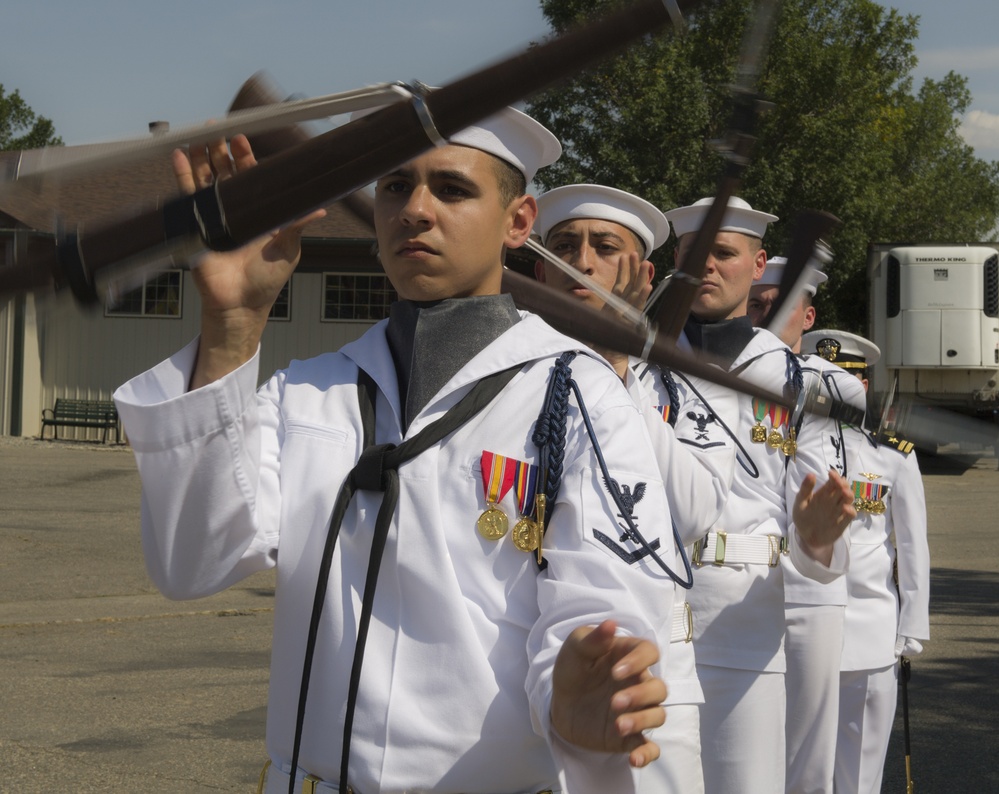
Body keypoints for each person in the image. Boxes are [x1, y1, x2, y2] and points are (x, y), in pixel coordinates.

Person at [113, 107, 680, 794]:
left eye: (452, 189)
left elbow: (603, 612)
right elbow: (190, 562)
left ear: (519, 221)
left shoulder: (577, 395)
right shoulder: (310, 391)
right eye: (394, 187)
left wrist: (574, 702)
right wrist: (233, 325)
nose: (415, 210)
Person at [533, 183, 740, 793]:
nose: (584, 261)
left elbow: (699, 512)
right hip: (531, 676)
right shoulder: (497, 382)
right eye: (564, 246)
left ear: (645, 277)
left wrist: (615, 381)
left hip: (654, 672)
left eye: (605, 246)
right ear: (540, 270)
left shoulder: (678, 390)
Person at [655, 196, 857, 794]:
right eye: (693, 255)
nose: (707, 268)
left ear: (757, 262)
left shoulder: (796, 380)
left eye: (723, 253)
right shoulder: (636, 362)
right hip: (649, 608)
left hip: (741, 621)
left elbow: (813, 529)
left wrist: (816, 540)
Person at [748, 254, 867, 793]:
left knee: (807, 757)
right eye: (756, 305)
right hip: (745, 584)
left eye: (780, 307)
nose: (766, 317)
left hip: (810, 585)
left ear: (809, 317)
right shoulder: (714, 373)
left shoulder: (831, 385)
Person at [801, 329, 930, 794]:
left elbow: (913, 546)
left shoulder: (893, 458)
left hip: (867, 632)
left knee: (858, 776)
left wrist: (911, 627)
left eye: (843, 386)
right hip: (800, 627)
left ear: (863, 389)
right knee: (799, 769)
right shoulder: (785, 451)